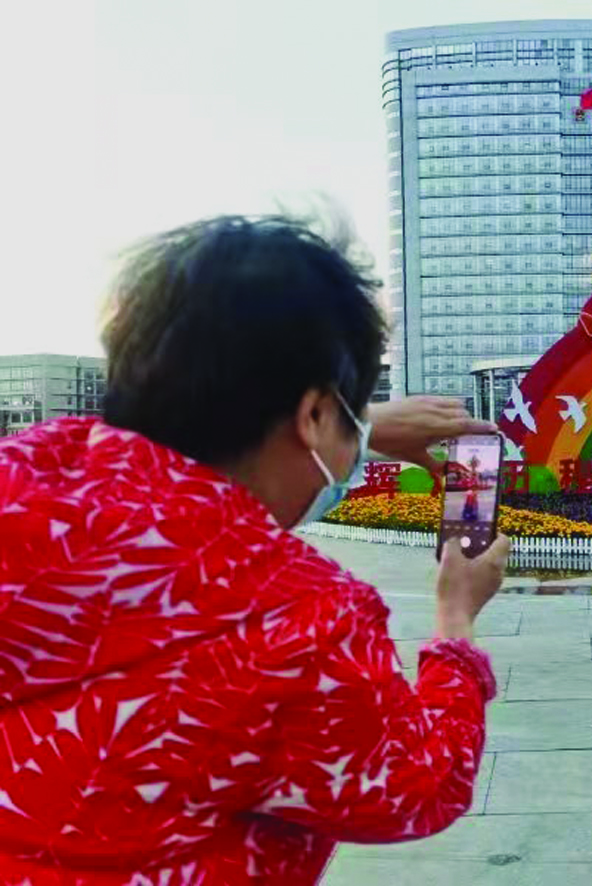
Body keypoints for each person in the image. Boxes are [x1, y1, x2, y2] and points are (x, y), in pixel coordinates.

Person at [0, 215, 509, 884]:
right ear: (314, 416)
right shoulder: (301, 626)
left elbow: (181, 512)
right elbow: (415, 788)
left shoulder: (22, 482)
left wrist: (354, 429)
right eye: (348, 416)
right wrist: (456, 623)